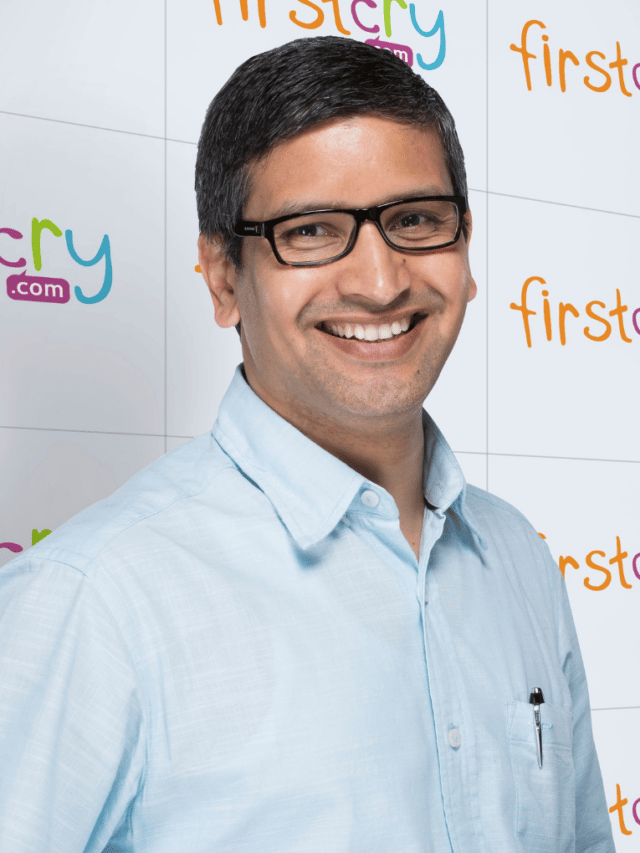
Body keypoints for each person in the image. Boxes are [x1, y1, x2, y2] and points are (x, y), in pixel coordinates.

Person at [0, 36, 614, 853]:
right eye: (313, 230)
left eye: (415, 221)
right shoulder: (95, 601)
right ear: (224, 278)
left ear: (466, 248)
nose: (381, 282)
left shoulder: (520, 560)